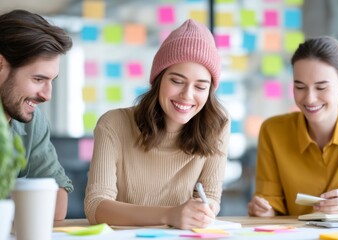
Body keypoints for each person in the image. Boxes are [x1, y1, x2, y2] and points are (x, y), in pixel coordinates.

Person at [84, 19, 230, 229]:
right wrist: (170, 215)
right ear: (158, 79)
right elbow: (96, 206)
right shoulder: (113, 124)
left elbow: (211, 197)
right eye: (177, 81)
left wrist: (203, 213)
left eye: (200, 87)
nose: (187, 95)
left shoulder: (217, 127)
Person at [248, 36, 338, 217]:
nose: (309, 99)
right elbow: (271, 206)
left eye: (321, 87)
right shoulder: (273, 131)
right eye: (300, 87)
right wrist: (264, 210)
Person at [0, 9, 73, 220]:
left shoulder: (32, 121)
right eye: (38, 79)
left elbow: (57, 204)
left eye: (52, 80)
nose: (47, 95)